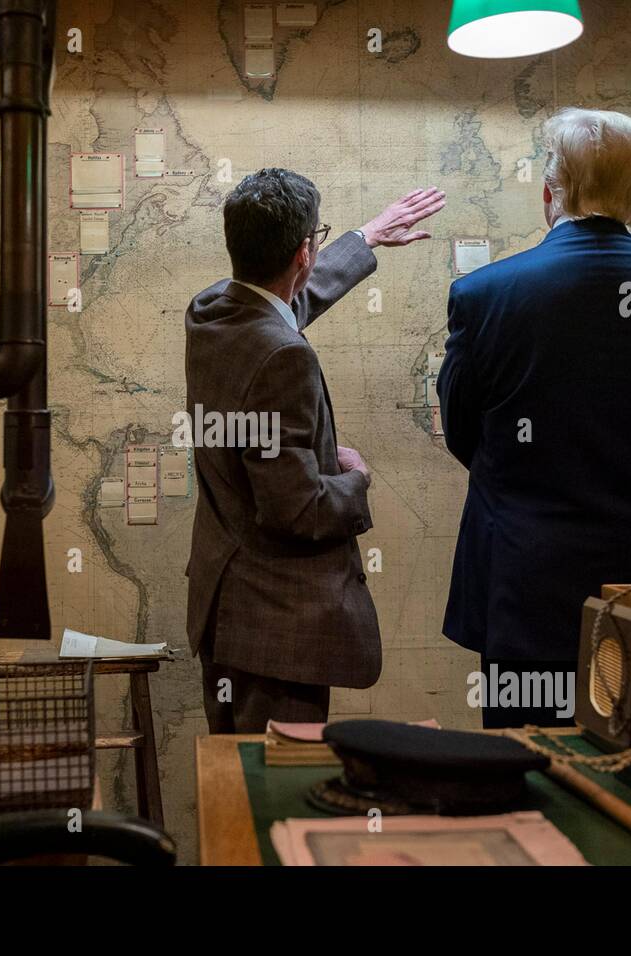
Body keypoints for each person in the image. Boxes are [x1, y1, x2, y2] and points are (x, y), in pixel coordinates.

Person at [437, 108, 631, 728]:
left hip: (528, 581)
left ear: (551, 191)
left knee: (531, 768)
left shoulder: (485, 293)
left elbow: (466, 434)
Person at [185, 169, 445, 733]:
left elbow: (278, 309)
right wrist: (356, 478)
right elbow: (294, 507)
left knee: (236, 780)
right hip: (277, 630)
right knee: (273, 790)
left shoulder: (209, 312)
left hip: (226, 607)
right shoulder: (283, 359)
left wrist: (366, 237)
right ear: (304, 251)